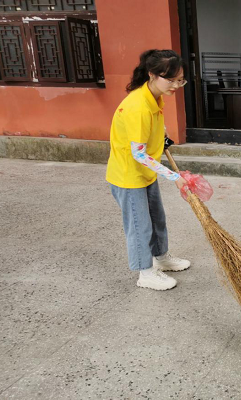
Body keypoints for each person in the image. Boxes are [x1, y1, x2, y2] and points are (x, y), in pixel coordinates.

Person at [106, 49, 191, 291]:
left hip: (145, 172)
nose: (176, 85)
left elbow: (149, 131)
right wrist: (174, 176)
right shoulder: (138, 106)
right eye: (170, 80)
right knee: (139, 225)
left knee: (156, 218)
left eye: (180, 80)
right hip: (128, 175)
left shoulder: (154, 97)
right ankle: (145, 272)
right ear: (152, 74)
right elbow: (139, 154)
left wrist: (161, 134)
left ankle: (161, 257)